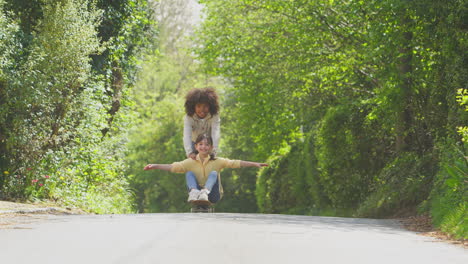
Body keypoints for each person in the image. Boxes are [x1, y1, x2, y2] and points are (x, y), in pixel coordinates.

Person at [144, 134, 268, 203]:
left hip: (213, 195)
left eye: (207, 144)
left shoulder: (217, 161)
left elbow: (236, 163)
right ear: (196, 146)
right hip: (196, 195)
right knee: (189, 173)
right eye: (201, 144)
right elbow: (172, 167)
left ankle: (205, 192)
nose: (204, 147)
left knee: (214, 173)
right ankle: (194, 192)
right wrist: (155, 166)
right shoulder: (190, 162)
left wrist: (254, 164)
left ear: (211, 147)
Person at [183, 87, 221, 160]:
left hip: (209, 143)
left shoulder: (214, 116)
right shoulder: (188, 117)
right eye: (198, 106)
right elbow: (186, 136)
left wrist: (213, 151)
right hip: (194, 143)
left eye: (205, 106)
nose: (202, 110)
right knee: (192, 165)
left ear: (210, 106)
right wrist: (190, 152)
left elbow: (216, 133)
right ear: (193, 107)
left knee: (210, 164)